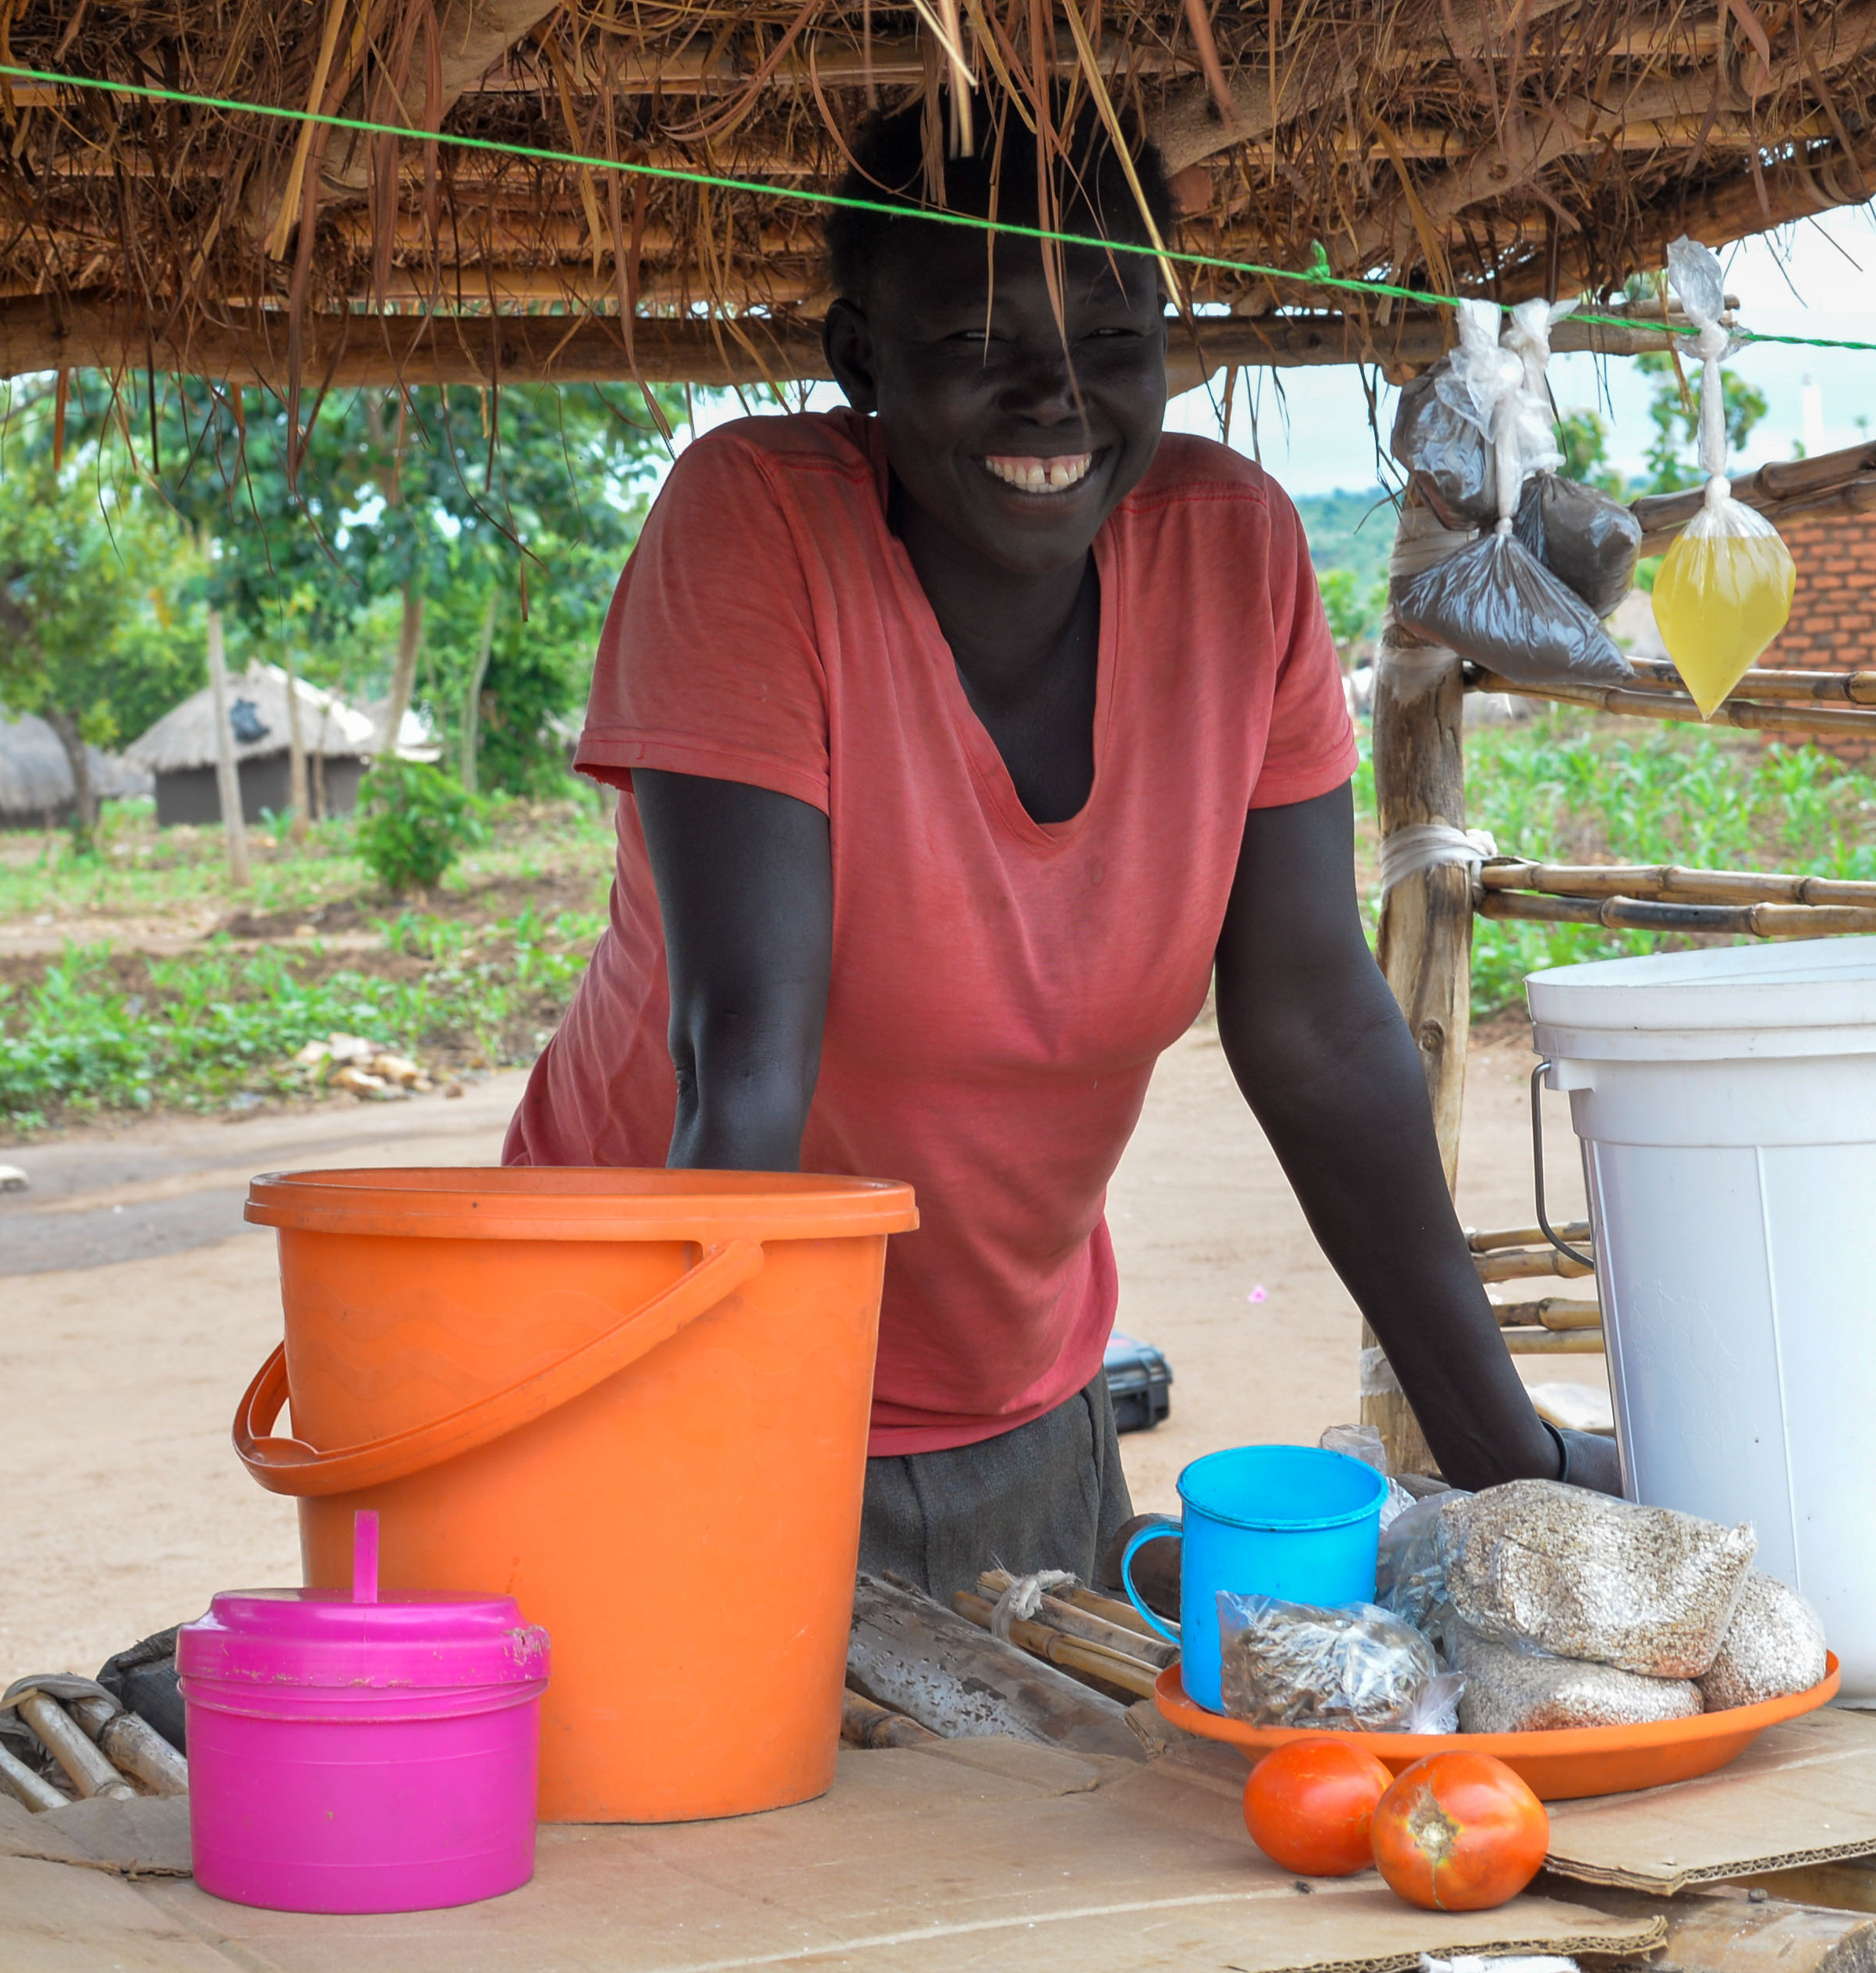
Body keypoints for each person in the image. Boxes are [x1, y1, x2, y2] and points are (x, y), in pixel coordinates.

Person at [507, 101, 1617, 1600]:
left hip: (1020, 1417)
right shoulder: (758, 530)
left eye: (1111, 336)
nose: (1057, 400)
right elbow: (743, 1059)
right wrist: (689, 1517)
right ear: (860, 363)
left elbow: (1311, 1019)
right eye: (978, 343)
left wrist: (1518, 1461)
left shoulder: (1233, 558)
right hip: (645, 1379)